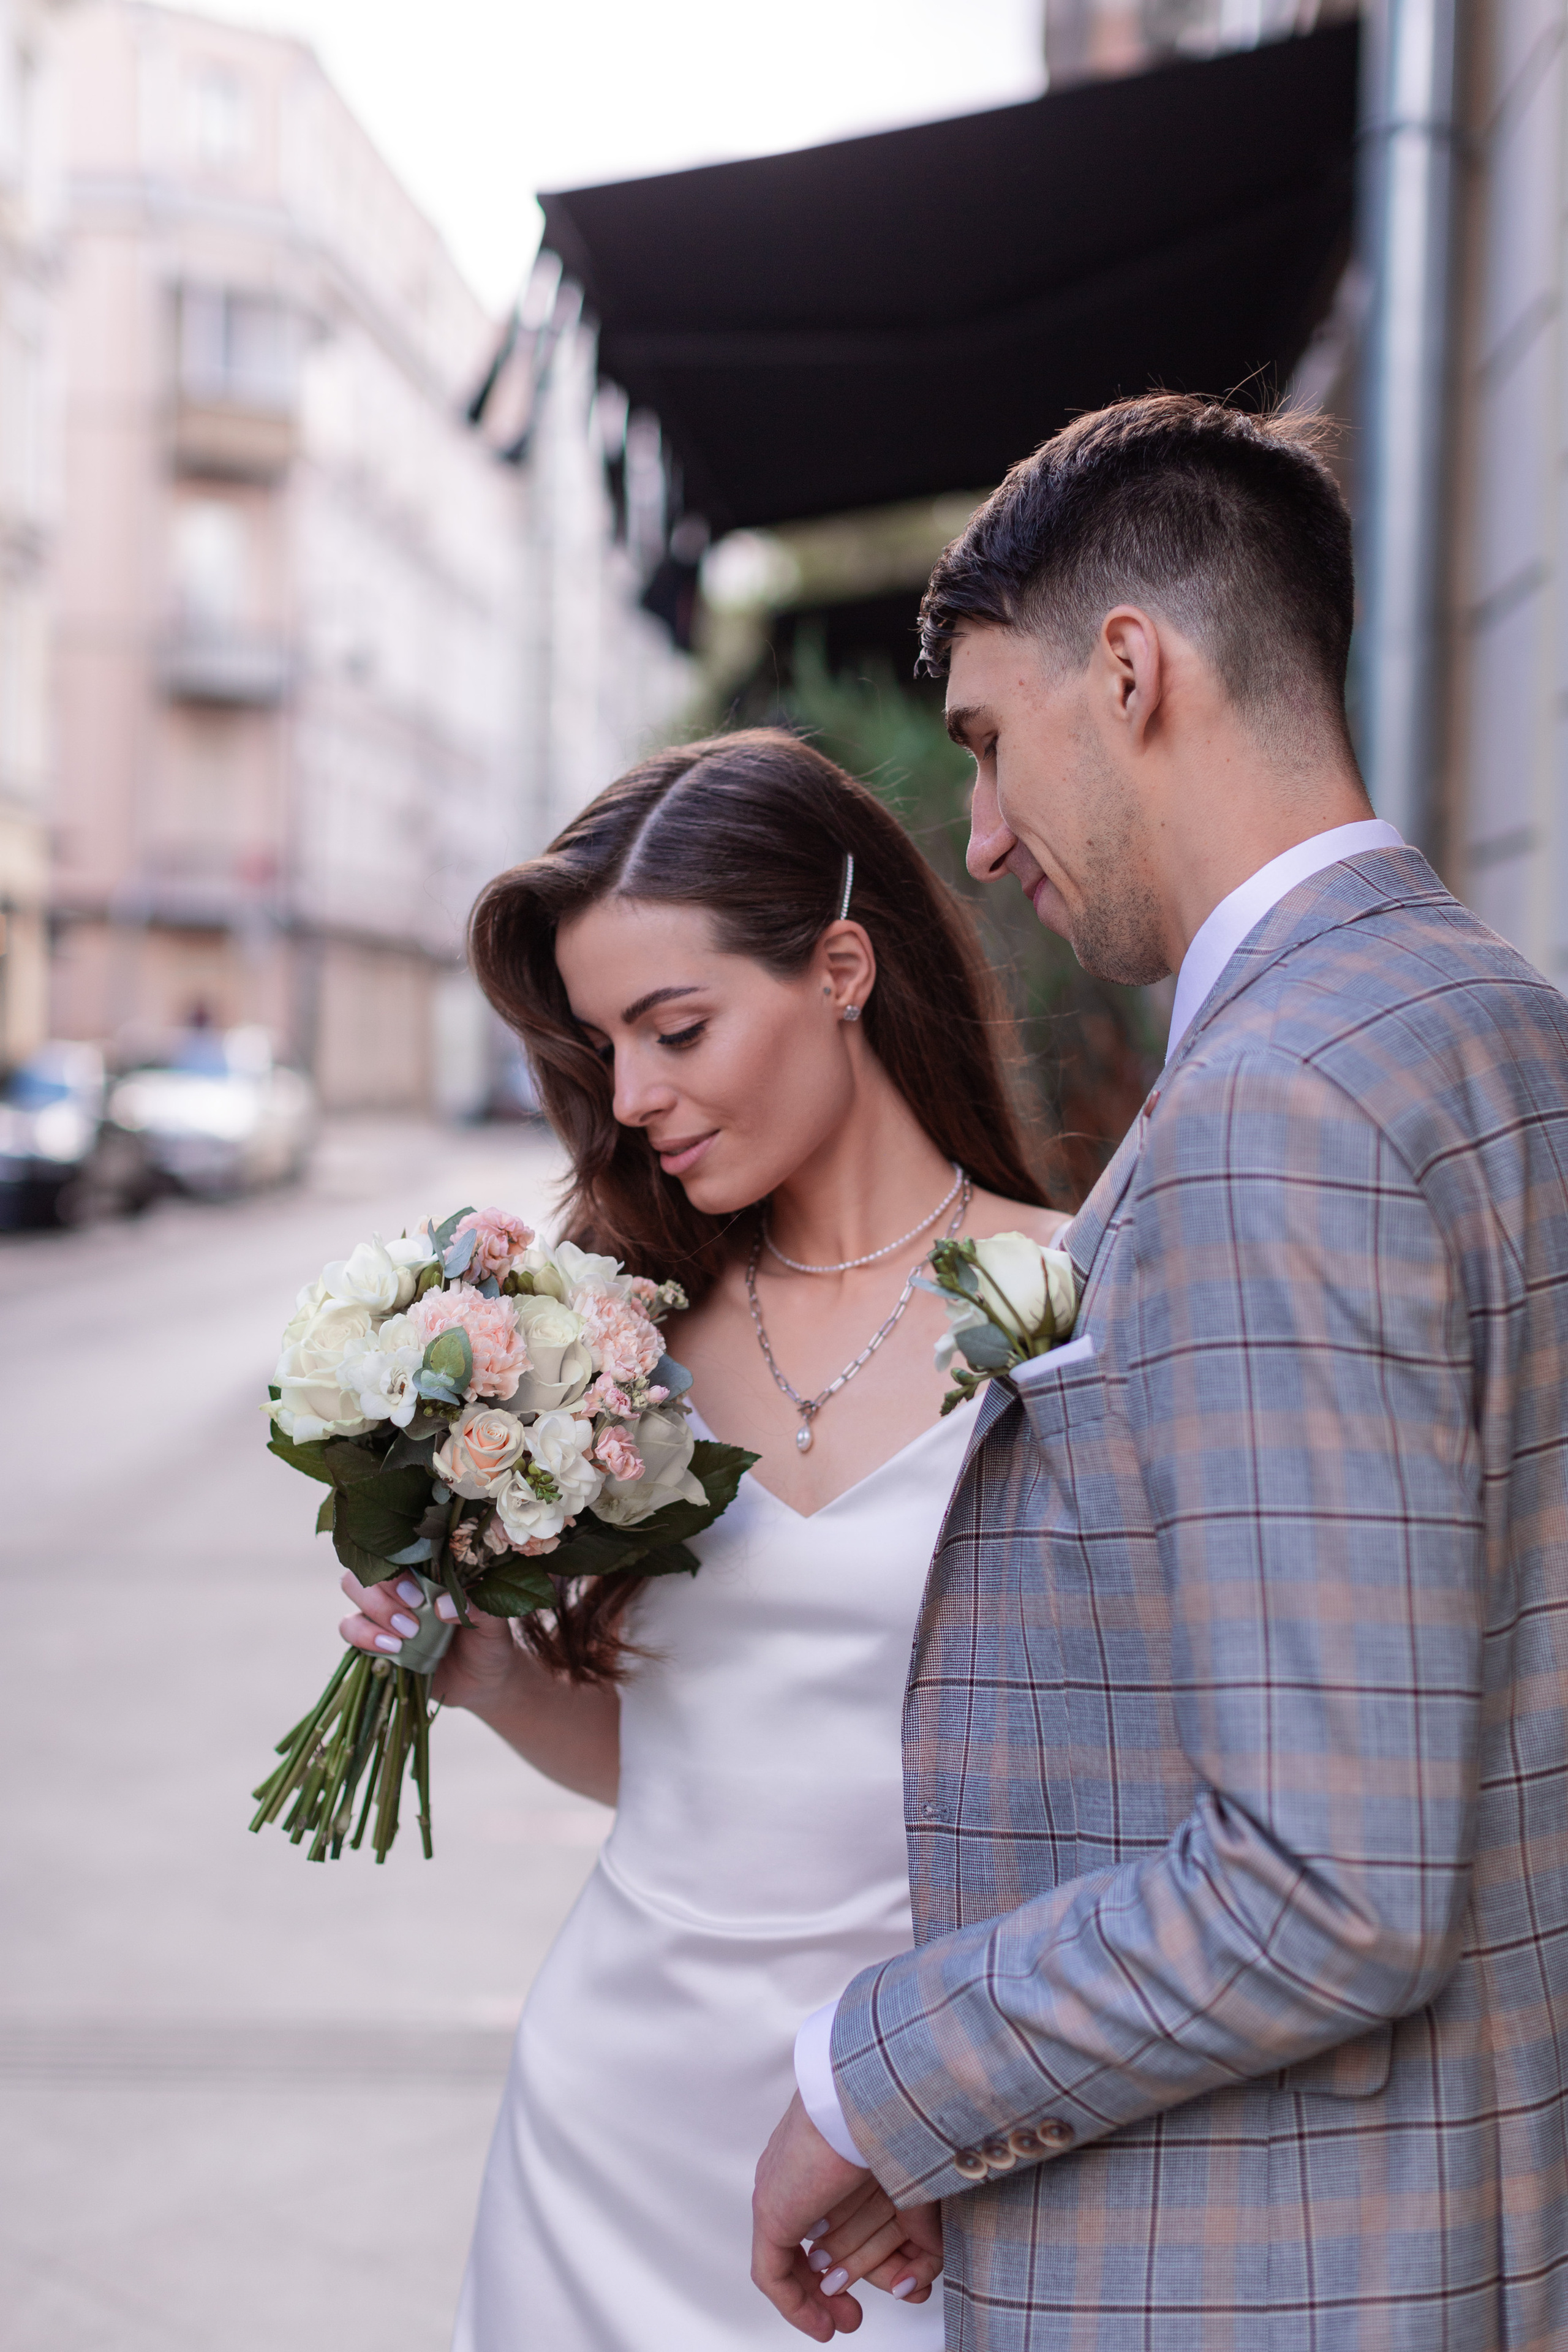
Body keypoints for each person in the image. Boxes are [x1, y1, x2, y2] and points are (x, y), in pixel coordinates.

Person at [751, 394, 1568, 2350]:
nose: (982, 833)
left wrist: (881, 2080)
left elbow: (1325, 1880)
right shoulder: (1500, 1024)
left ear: (1132, 672)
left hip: (1273, 2272)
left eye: (988, 743)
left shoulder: (1278, 1105)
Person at [337, 729, 1068, 2349]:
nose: (632, 1096)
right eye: (604, 1045)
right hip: (611, 2131)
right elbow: (674, 1761)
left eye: (676, 1029)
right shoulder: (611, 1331)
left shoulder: (1085, 1300)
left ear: (842, 970)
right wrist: (481, 1668)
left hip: (926, 2157)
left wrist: (957, 2105)